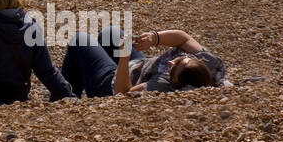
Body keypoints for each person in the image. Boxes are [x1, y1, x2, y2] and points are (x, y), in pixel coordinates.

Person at [61, 25, 227, 97]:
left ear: (175, 82)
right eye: (178, 61)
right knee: (111, 32)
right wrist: (154, 38)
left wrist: (124, 58)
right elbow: (183, 38)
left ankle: (64, 98)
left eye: (172, 70)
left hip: (112, 84)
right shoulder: (209, 62)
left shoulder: (160, 86)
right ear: (193, 59)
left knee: (80, 40)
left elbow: (122, 93)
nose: (171, 63)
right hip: (143, 67)